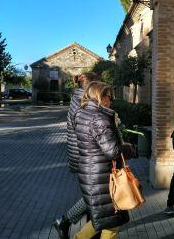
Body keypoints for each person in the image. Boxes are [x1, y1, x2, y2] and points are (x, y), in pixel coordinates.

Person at [73, 81, 137, 239]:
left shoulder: (82, 113)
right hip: (103, 176)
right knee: (111, 224)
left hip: (91, 173)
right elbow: (112, 151)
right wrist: (129, 148)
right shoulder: (98, 118)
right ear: (100, 97)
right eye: (109, 97)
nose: (111, 100)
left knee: (102, 220)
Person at [53, 72, 99, 239]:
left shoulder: (79, 99)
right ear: (92, 85)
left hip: (81, 156)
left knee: (93, 196)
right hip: (85, 157)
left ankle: (82, 227)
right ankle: (65, 221)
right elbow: (89, 131)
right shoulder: (84, 102)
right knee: (94, 196)